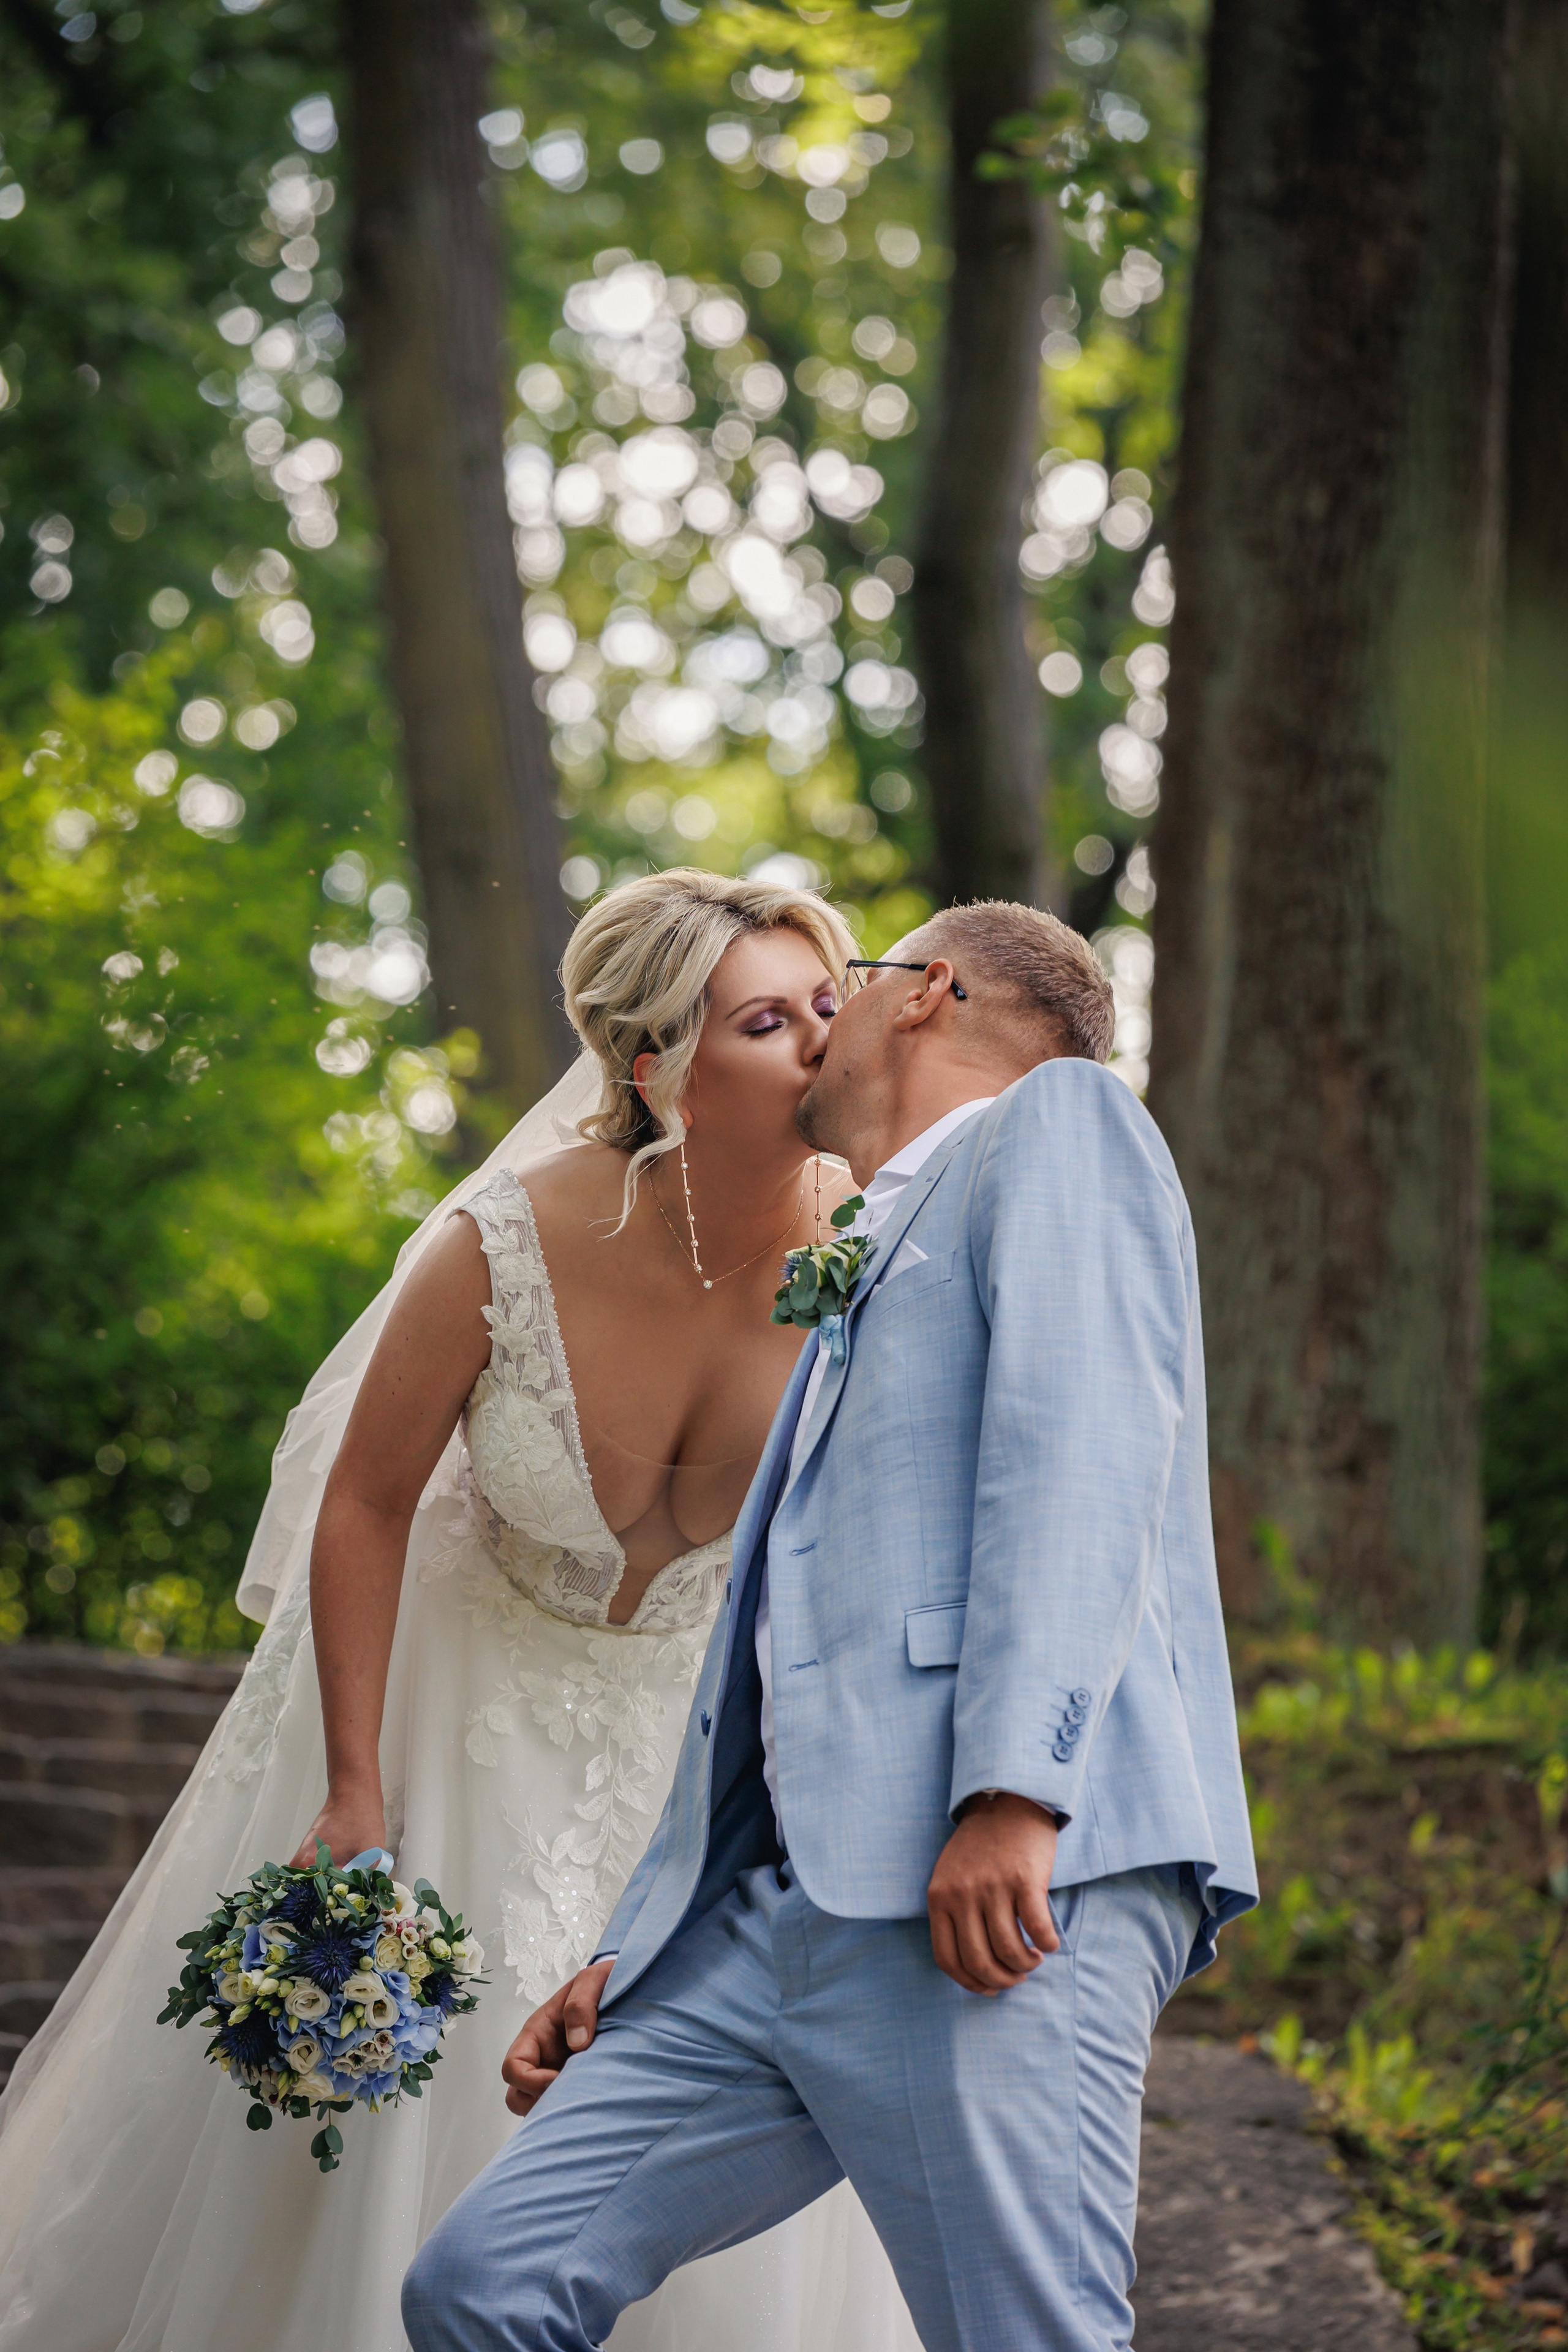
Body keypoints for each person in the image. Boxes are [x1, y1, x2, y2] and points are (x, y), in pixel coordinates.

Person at [0, 869, 923, 2352]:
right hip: (461, 1704)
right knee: (411, 2112)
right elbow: (362, 1503)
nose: (825, 1038)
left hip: (684, 1747)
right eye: (769, 1019)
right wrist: (355, 1783)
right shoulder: (496, 1245)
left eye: (829, 1002)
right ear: (657, 1067)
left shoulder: (870, 1250)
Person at [403, 899, 1261, 2352]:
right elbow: (772, 1647)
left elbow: (1082, 1455)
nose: (815, 1020)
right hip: (768, 1926)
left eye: (839, 989)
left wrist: (1012, 1791)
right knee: (482, 2284)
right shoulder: (858, 1245)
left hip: (994, 1894)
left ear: (921, 994)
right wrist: (642, 1937)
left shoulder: (1056, 1129)